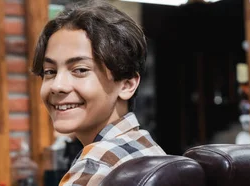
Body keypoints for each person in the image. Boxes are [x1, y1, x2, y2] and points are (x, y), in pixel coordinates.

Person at [30, 1, 166, 185]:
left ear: (127, 84)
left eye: (80, 70)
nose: (57, 85)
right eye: (50, 72)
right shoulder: (147, 148)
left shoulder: (97, 167)